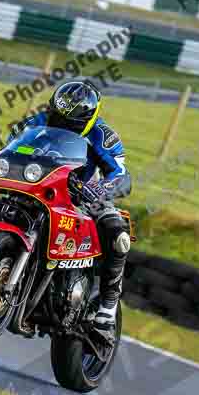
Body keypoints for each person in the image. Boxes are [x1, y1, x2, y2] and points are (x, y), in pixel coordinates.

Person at [8, 79, 132, 340]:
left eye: (70, 122)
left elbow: (121, 175)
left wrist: (100, 190)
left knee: (116, 232)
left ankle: (108, 307)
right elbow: (9, 148)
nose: (61, 124)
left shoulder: (103, 136)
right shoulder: (35, 121)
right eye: (57, 116)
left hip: (82, 195)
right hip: (38, 185)